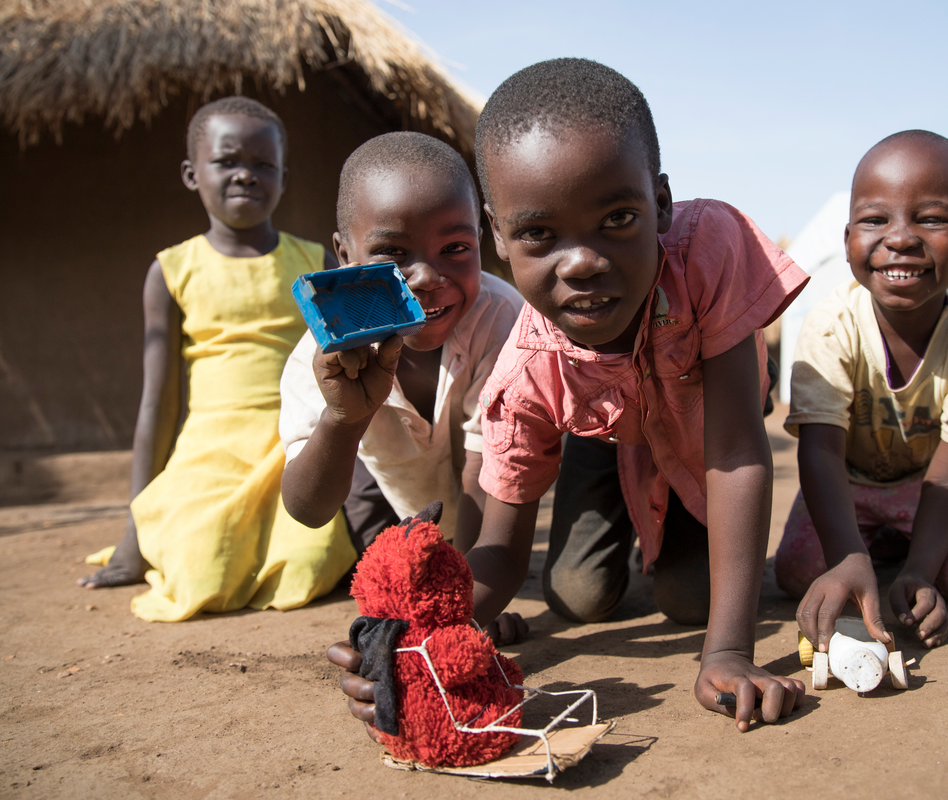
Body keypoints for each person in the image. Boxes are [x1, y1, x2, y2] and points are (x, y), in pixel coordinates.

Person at [331, 58, 811, 732]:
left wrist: (728, 651)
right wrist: (412, 635)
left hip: (707, 430)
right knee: (577, 596)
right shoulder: (527, 372)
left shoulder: (708, 252)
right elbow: (497, 554)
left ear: (662, 204)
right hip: (606, 434)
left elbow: (735, 447)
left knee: (692, 599)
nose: (582, 261)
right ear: (499, 237)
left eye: (617, 217)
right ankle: (627, 501)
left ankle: (684, 538)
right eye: (539, 234)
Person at [79, 96, 354, 622]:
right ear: (191, 173)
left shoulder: (312, 260)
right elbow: (157, 403)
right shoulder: (171, 270)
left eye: (263, 165)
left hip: (289, 443)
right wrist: (133, 536)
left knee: (311, 560)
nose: (246, 176)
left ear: (283, 176)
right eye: (228, 161)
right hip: (207, 450)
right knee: (198, 565)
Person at [774, 130, 948, 656]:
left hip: (928, 487)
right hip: (845, 480)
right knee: (798, 570)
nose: (901, 238)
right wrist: (846, 558)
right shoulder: (830, 328)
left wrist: (920, 572)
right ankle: (867, 545)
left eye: (932, 218)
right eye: (875, 220)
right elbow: (820, 451)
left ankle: (898, 547)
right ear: (847, 240)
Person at [279, 132, 524, 560]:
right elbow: (308, 509)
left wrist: (467, 596)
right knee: (385, 568)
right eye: (391, 253)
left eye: (455, 248)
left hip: (479, 485)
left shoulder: (502, 321)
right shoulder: (320, 359)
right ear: (343, 254)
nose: (427, 277)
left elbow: (483, 470)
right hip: (378, 480)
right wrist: (342, 421)